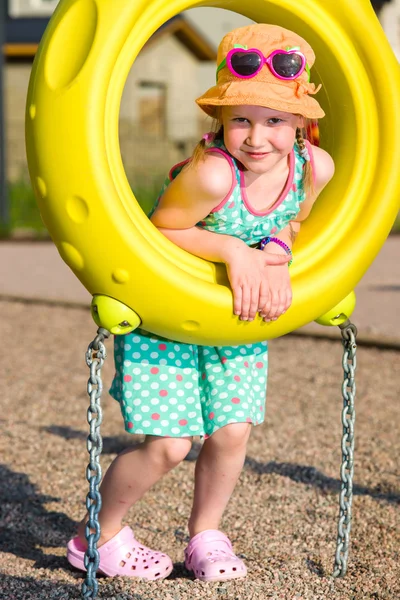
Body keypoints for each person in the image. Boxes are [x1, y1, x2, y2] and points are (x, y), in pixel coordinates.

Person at [67, 23, 334, 582]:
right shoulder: (213, 174)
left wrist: (278, 249)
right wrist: (232, 250)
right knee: (169, 444)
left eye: (275, 121)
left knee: (233, 431)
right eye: (241, 120)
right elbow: (157, 232)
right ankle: (100, 536)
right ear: (220, 121)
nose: (256, 138)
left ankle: (205, 536)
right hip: (168, 318)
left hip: (232, 319)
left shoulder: (314, 168)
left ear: (301, 124)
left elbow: (299, 221)